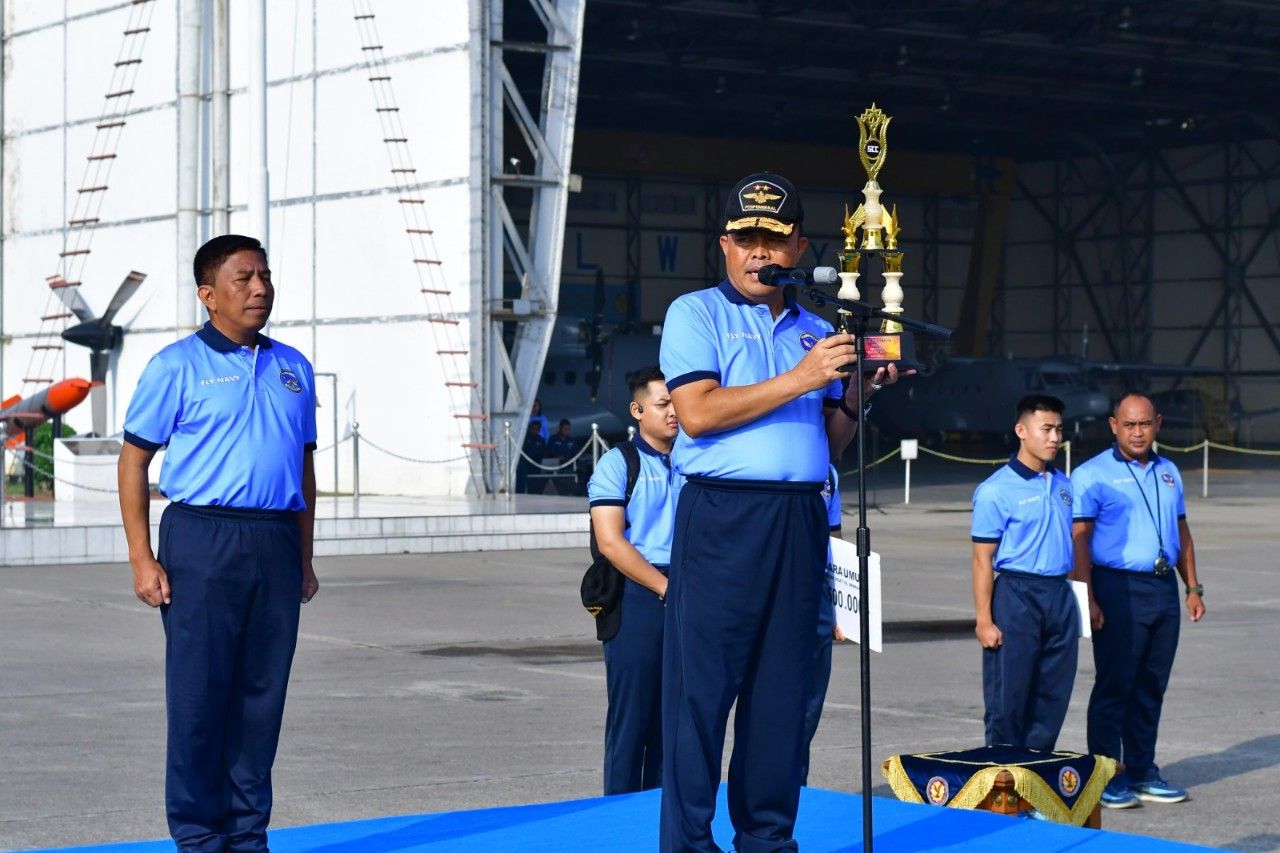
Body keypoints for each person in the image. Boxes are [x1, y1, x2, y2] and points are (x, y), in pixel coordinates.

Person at [659, 170, 899, 852]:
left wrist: (855, 393)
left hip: (800, 520)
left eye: (775, 239)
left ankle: (767, 839)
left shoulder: (817, 329)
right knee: (702, 697)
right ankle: (689, 843)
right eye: (746, 239)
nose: (759, 252)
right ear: (725, 246)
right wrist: (802, 378)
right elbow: (698, 414)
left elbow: (829, 441)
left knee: (781, 698)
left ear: (800, 248)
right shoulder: (696, 313)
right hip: (723, 518)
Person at [118, 234, 319, 852]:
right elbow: (133, 462)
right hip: (201, 538)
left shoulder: (295, 367)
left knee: (263, 695)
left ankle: (247, 831)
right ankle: (199, 834)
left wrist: (305, 557)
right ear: (208, 294)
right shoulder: (175, 366)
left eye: (264, 275)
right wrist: (141, 555)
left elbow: (305, 468)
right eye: (242, 278)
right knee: (201, 695)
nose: (259, 288)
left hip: (276, 541)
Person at [1071, 392, 1204, 808]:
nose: (1137, 432)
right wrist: (1087, 599)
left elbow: (1181, 532)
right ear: (1113, 425)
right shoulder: (1092, 474)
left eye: (1144, 424)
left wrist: (1193, 587)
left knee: (1151, 684)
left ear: (1158, 423)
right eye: (1128, 424)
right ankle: (1107, 774)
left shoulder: (1169, 472)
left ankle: (1144, 769)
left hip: (1162, 589)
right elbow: (1080, 542)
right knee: (1115, 684)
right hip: (1116, 586)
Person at [588, 366, 683, 795]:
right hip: (639, 595)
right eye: (662, 404)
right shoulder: (617, 463)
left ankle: (665, 822)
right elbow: (611, 542)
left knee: (674, 722)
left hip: (689, 591)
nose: (673, 413)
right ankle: (619, 820)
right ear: (637, 409)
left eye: (677, 403)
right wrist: (664, 587)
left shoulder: (695, 461)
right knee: (631, 721)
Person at [970, 394, 1077, 751]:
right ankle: (1003, 783)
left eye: (1058, 430)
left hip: (1059, 594)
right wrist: (984, 619)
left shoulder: (1064, 485)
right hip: (1017, 594)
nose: (1053, 438)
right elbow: (982, 558)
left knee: (1052, 695)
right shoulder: (994, 490)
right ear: (1021, 430)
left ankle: (1036, 784)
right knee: (1009, 696)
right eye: (1045, 429)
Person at [801, 463, 845, 786]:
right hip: (776, 591)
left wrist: (842, 609)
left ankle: (795, 791)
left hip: (817, 597)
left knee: (807, 711)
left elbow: (835, 537)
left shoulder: (828, 473)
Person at [516, 420, 546, 494]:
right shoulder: (524, 439)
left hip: (537, 464)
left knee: (535, 485)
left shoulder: (541, 440)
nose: (535, 430)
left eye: (537, 429)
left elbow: (543, 452)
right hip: (525, 464)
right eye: (533, 428)